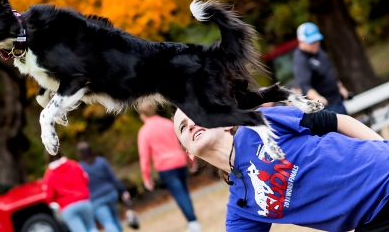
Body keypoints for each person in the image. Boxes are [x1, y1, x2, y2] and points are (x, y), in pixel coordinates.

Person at [173, 104, 389, 232]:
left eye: (196, 114)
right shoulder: (241, 211)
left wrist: (383, 148)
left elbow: (336, 121)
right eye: (183, 127)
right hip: (371, 219)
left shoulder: (259, 123)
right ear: (189, 153)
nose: (191, 123)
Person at [137, 101, 202, 232]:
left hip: (166, 168)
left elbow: (144, 157)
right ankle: (193, 220)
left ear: (142, 115)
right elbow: (182, 142)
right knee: (184, 191)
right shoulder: (168, 123)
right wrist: (191, 160)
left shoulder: (144, 132)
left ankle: (193, 222)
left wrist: (146, 177)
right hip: (180, 163)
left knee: (180, 194)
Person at [293, 22, 349, 114]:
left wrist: (341, 87)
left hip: (337, 99)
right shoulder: (300, 61)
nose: (315, 44)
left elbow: (330, 71)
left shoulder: (318, 51)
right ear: (301, 42)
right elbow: (305, 86)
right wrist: (317, 98)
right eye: (311, 42)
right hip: (326, 106)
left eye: (316, 41)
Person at [77, 142, 130, 232]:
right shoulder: (101, 161)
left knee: (108, 222)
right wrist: (123, 190)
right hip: (110, 193)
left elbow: (80, 186)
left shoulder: (80, 167)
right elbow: (113, 177)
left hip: (96, 199)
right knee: (115, 218)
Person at [43, 152, 99, 232]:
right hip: (84, 201)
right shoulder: (73, 164)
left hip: (67, 207)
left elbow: (49, 196)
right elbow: (86, 179)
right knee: (92, 227)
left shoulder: (49, 174)